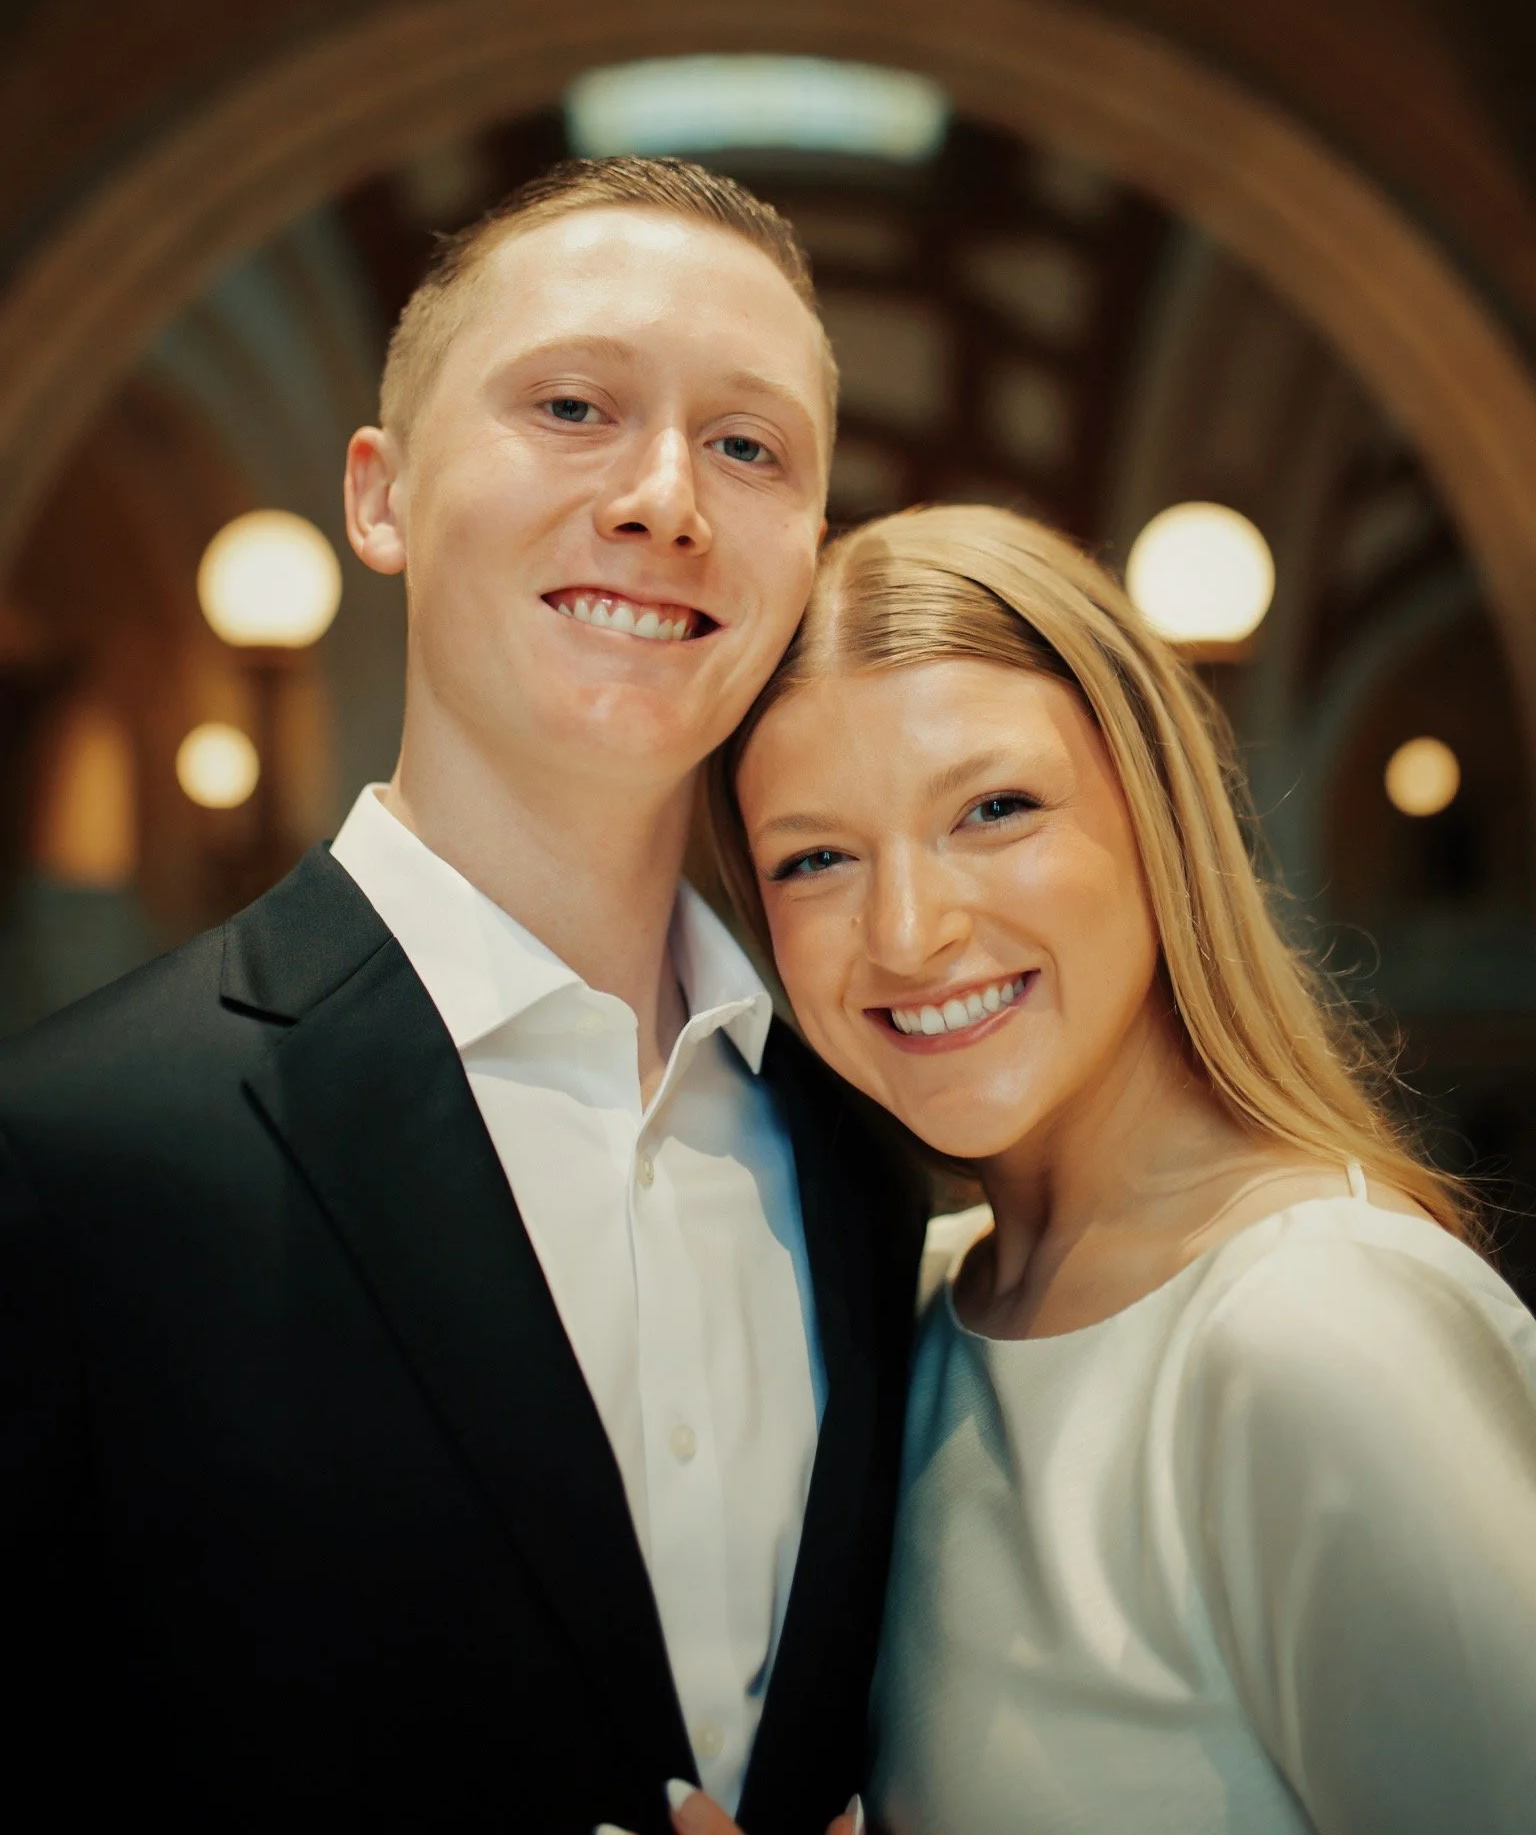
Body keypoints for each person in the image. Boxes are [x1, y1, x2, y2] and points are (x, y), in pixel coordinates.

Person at [0, 158, 927, 1835]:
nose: (666, 500)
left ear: (808, 549)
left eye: (749, 447)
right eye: (573, 407)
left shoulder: (865, 1149)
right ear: (383, 497)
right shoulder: (71, 1155)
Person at [668, 501, 1536, 1835]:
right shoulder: (911, 1318)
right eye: (817, 859)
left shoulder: (1315, 1331)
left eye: (994, 810)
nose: (907, 932)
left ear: (1157, 812)